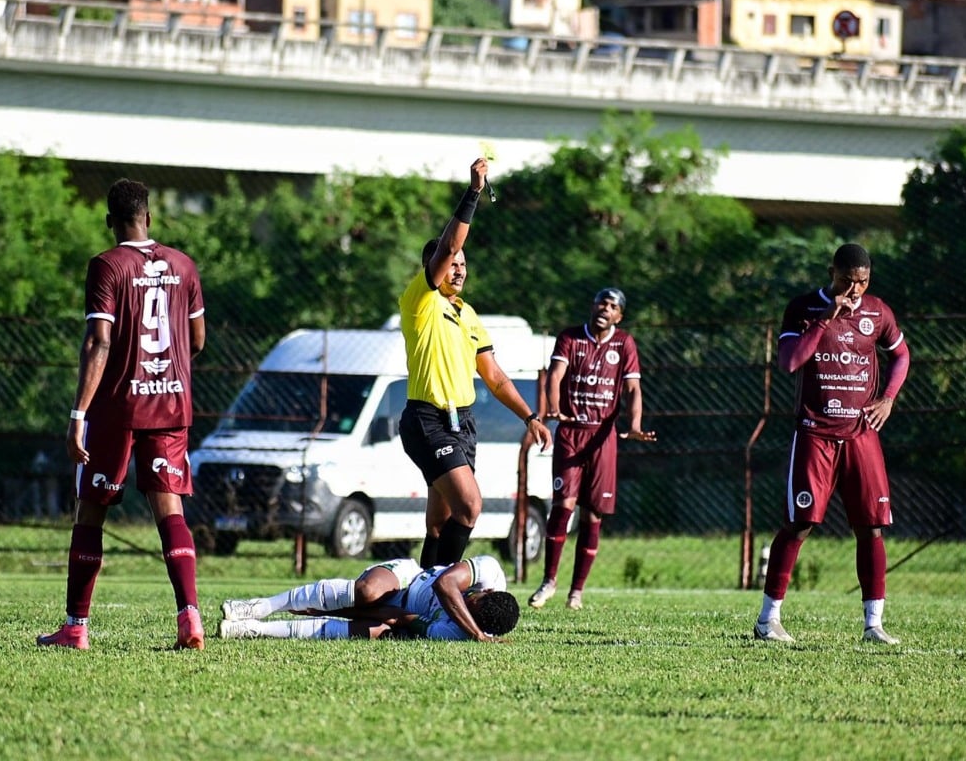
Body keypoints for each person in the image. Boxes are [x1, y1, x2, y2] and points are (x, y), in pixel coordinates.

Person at [38, 178, 207, 651]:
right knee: (168, 508)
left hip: (119, 406)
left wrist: (78, 413)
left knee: (90, 512)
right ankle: (189, 617)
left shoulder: (107, 265)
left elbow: (99, 341)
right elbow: (196, 341)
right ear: (148, 218)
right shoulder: (184, 265)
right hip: (171, 403)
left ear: (110, 221)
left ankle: (75, 627)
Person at [753, 242, 910, 645]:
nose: (854, 290)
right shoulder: (804, 308)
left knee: (871, 528)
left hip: (861, 435)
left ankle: (873, 625)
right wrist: (825, 320)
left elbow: (902, 356)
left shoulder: (878, 311)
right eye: (846, 280)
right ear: (831, 273)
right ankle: (768, 620)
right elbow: (790, 362)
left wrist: (888, 399)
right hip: (816, 434)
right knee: (801, 523)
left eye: (862, 282)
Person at [398, 157, 552, 568]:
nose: (459, 268)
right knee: (470, 506)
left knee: (440, 522)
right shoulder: (421, 302)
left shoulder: (467, 314)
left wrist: (530, 416)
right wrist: (474, 192)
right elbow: (448, 245)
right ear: (435, 268)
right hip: (427, 419)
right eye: (454, 263)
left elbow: (495, 377)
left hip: (461, 423)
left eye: (465, 264)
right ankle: (441, 592)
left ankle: (419, 598)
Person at [527, 288, 657, 611]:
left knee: (593, 513)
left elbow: (633, 388)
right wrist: (555, 409)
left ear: (619, 316)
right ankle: (549, 582)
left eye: (613, 306)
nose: (605, 308)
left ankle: (576, 592)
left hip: (603, 438)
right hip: (572, 433)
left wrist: (636, 424)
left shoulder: (624, 343)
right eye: (602, 302)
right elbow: (554, 377)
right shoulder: (571, 338)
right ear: (592, 305)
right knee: (563, 505)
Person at [217, 555, 519, 642]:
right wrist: (478, 634)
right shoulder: (490, 572)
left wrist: (348, 613)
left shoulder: (456, 634)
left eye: (469, 610)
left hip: (399, 611)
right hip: (408, 578)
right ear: (488, 591)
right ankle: (263, 605)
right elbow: (445, 584)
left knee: (378, 632)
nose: (464, 603)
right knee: (367, 592)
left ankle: (252, 629)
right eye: (472, 599)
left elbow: (400, 619)